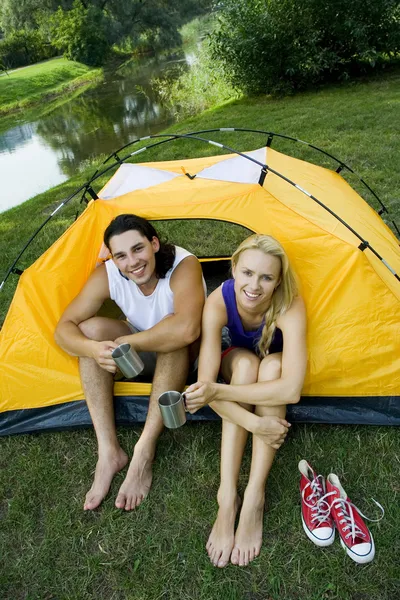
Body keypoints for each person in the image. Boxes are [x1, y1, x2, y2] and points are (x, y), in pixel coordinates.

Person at [55, 214, 206, 511]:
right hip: (138, 353)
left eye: (138, 249)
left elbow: (188, 329)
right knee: (91, 332)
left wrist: (126, 343)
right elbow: (64, 328)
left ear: (154, 243)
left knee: (172, 333)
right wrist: (94, 349)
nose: (132, 262)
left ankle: (143, 450)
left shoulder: (184, 265)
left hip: (184, 355)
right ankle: (108, 451)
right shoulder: (109, 273)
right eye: (121, 255)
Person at [185, 234, 307, 568]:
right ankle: (227, 496)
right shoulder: (218, 300)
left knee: (270, 366)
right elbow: (203, 385)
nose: (255, 285)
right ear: (234, 270)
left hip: (273, 369)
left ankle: (253, 495)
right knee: (244, 365)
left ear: (278, 280)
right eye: (248, 274)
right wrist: (256, 424)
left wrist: (219, 393)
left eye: (266, 277)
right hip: (238, 362)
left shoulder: (289, 304)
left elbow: (291, 390)